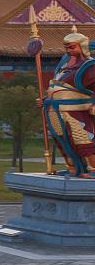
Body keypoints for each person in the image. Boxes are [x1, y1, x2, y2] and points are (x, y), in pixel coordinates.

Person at [44, 30, 95, 176]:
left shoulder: (89, 65)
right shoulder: (63, 66)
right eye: (66, 47)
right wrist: (44, 99)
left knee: (83, 138)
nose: (68, 50)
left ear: (82, 46)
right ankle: (73, 167)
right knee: (61, 138)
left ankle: (92, 168)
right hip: (54, 108)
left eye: (72, 47)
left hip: (76, 109)